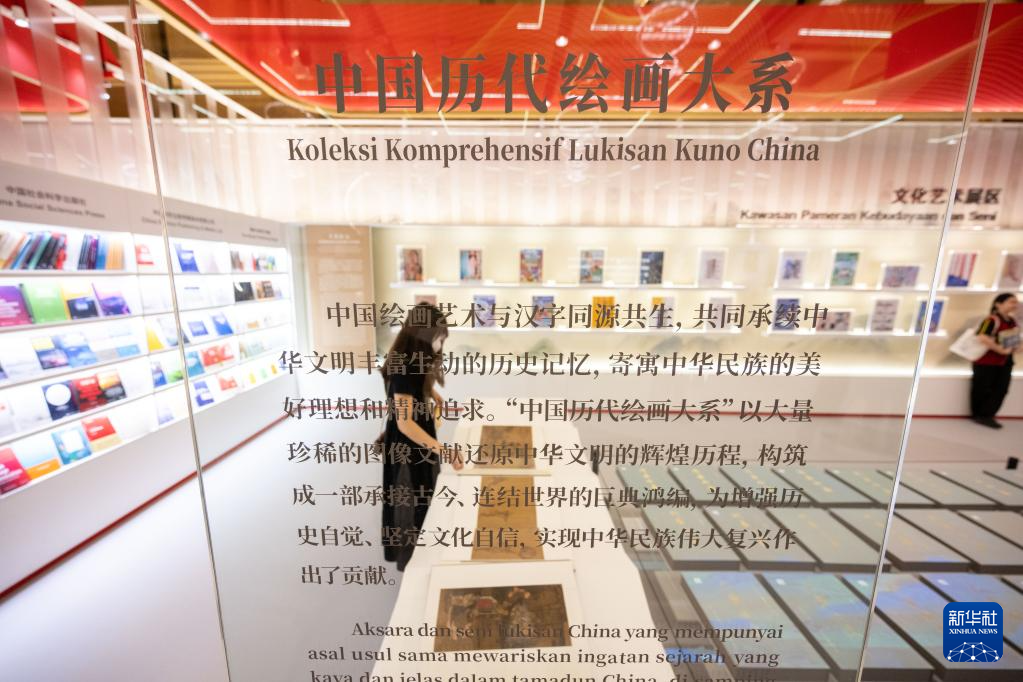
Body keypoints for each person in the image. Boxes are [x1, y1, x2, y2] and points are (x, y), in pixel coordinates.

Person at [380, 303, 461, 571]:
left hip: (419, 435)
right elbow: (405, 424)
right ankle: (413, 562)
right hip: (408, 444)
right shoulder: (403, 366)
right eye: (439, 339)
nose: (440, 345)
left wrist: (432, 394)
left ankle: (424, 553)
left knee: (423, 494)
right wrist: (443, 450)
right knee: (412, 499)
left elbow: (414, 387)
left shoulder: (414, 358)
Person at [970, 293, 1020, 428]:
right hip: (986, 362)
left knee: (1001, 389)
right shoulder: (990, 320)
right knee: (983, 388)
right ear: (998, 304)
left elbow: (1013, 339)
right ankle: (979, 415)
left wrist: (1016, 347)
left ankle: (988, 414)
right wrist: (1000, 349)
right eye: (1011, 302)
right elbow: (982, 336)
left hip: (1005, 362)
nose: (1014, 305)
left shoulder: (1012, 321)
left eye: (1016, 302)